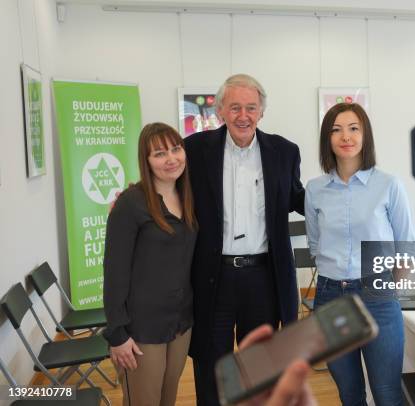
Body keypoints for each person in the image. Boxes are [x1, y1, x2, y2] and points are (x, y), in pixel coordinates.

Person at [184, 74, 305, 405]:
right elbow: (173, 196)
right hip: (213, 278)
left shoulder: (284, 152)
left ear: (261, 112)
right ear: (221, 110)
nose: (243, 115)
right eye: (235, 107)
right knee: (211, 369)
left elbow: (300, 198)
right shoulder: (194, 150)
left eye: (251, 107)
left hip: (263, 279)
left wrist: (342, 195)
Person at [305, 103, 415, 405]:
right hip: (330, 297)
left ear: (365, 135)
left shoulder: (388, 185)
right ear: (327, 139)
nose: (346, 136)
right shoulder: (314, 189)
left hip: (377, 293)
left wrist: (386, 286)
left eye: (354, 128)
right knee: (350, 394)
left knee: (386, 392)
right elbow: (316, 245)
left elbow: (406, 249)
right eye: (336, 129)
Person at [103, 123, 197, 406]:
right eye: (159, 153)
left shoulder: (190, 196)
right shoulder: (130, 204)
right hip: (142, 327)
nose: (171, 159)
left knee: (167, 397)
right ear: (146, 161)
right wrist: (117, 334)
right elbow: (114, 273)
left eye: (175, 149)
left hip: (181, 322)